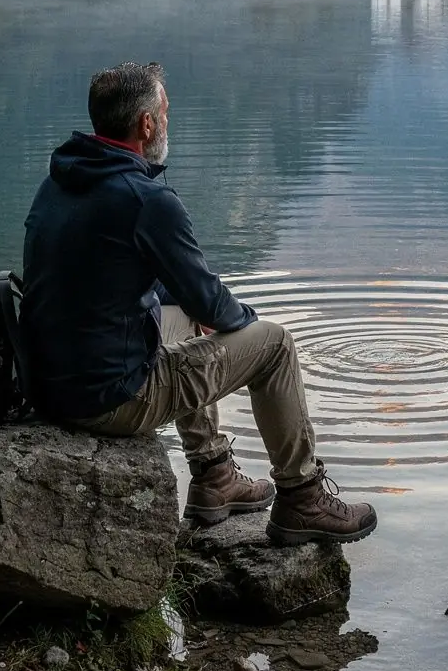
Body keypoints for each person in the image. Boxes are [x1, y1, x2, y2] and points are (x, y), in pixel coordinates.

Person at [22, 61, 377, 546]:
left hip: (51, 386)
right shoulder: (146, 199)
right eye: (165, 111)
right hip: (109, 400)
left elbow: (150, 288)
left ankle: (214, 475)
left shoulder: (59, 182)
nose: (169, 119)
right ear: (146, 124)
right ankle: (302, 498)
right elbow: (214, 304)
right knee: (274, 346)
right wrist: (240, 326)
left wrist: (201, 313)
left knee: (185, 312)